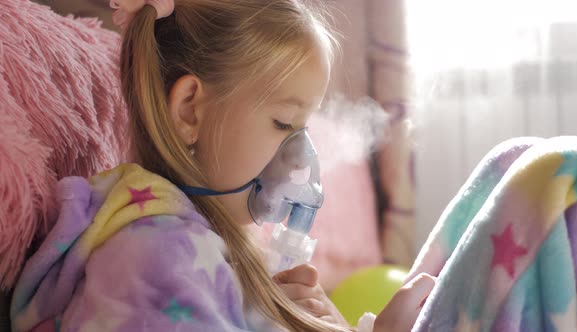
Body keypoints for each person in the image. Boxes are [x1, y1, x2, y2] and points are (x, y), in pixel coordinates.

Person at [10, 0, 435, 331]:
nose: (301, 157)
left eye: (303, 129)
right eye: (283, 123)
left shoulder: (190, 242)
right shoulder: (157, 255)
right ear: (191, 110)